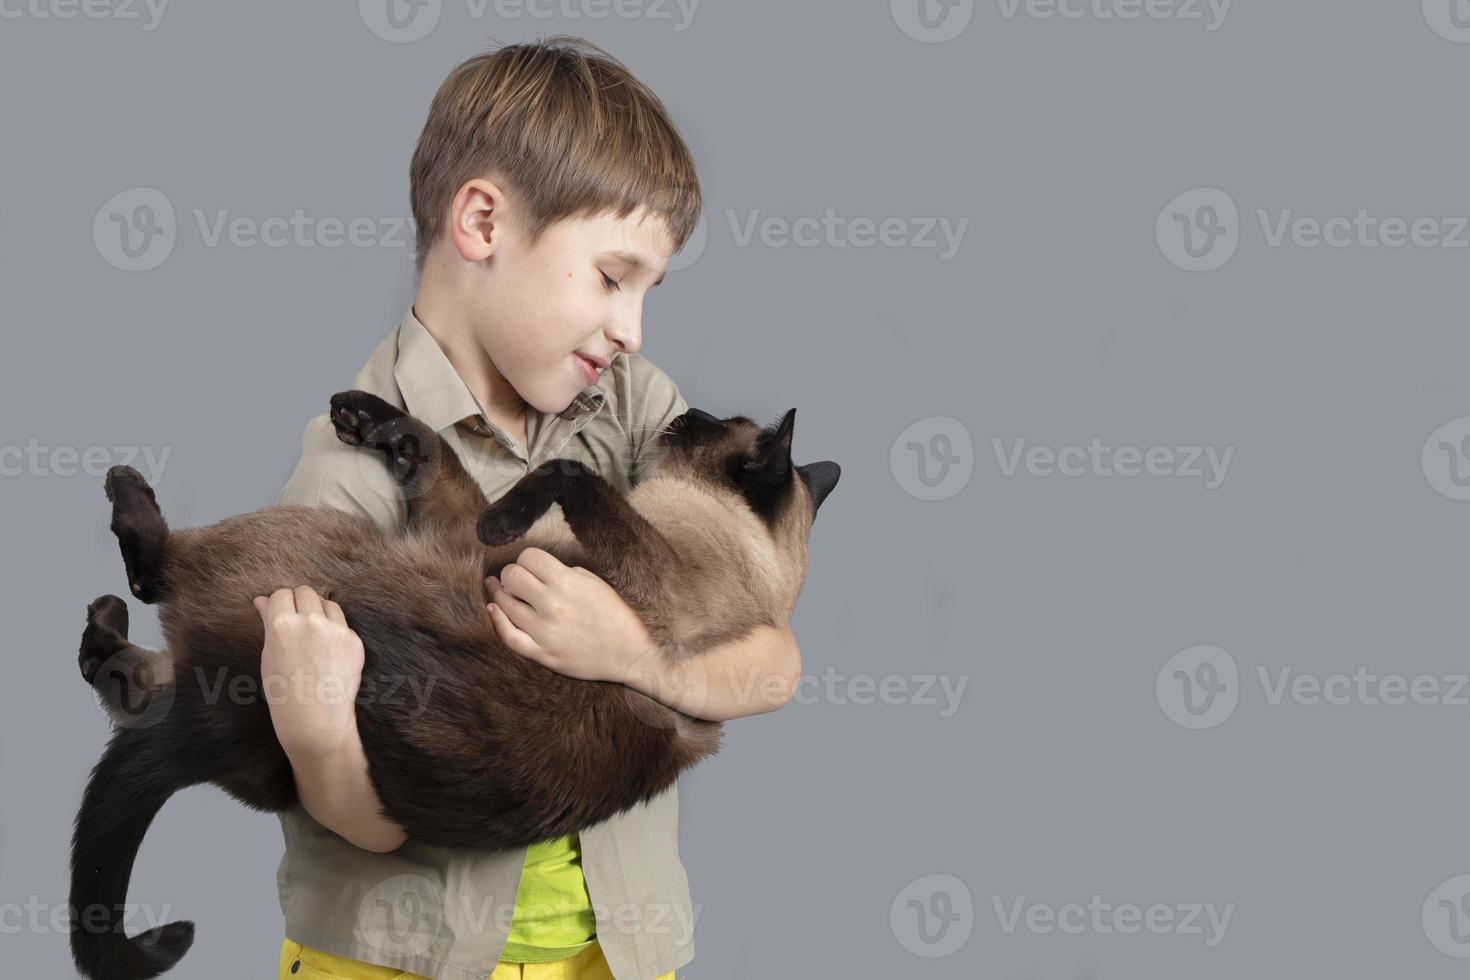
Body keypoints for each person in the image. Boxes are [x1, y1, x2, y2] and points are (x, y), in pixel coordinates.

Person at [254, 36, 802, 980]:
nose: (632, 329)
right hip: (403, 960)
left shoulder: (638, 418)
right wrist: (313, 733)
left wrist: (633, 654)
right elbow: (365, 827)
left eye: (648, 291)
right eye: (611, 276)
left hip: (617, 956)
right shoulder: (349, 470)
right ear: (481, 221)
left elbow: (774, 662)